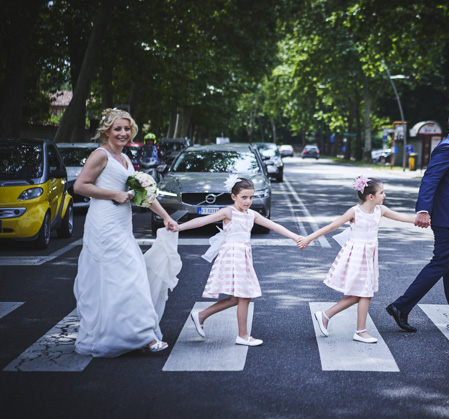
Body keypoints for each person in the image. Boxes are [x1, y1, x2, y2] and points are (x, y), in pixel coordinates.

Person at [73, 108, 178, 357]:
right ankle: (144, 335)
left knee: (128, 277)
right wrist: (115, 194)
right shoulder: (100, 155)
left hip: (121, 224)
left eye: (127, 128)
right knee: (126, 276)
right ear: (107, 131)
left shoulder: (126, 158)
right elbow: (79, 186)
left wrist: (165, 216)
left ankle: (126, 332)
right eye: (118, 128)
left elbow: (142, 194)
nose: (123, 133)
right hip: (104, 224)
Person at [386, 108, 449, 332]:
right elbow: (430, 179)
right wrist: (423, 209)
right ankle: (401, 306)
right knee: (441, 264)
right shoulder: (447, 148)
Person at [177, 176, 302, 347]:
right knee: (244, 295)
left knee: (236, 298)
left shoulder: (252, 214)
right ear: (233, 197)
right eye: (244, 197)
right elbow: (202, 221)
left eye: (251, 197)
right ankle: (242, 335)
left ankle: (201, 315)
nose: (248, 201)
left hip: (243, 256)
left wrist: (296, 237)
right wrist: (178, 227)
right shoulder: (229, 212)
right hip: (232, 256)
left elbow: (274, 226)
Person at [298, 176, 416, 343]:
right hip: (356, 255)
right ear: (371, 197)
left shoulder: (380, 210)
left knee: (358, 295)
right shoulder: (355, 211)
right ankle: (360, 331)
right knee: (365, 293)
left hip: (369, 255)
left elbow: (403, 217)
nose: (385, 196)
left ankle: (325, 315)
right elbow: (332, 226)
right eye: (382, 193)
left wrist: (422, 219)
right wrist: (309, 238)